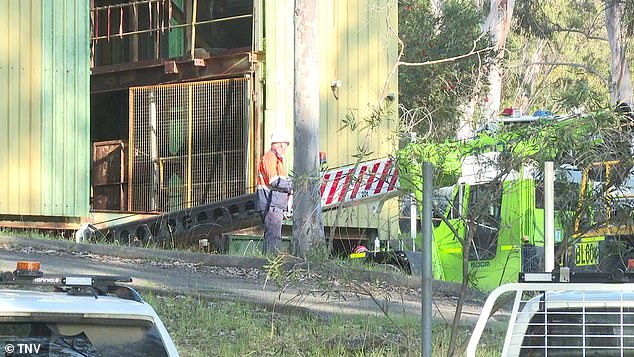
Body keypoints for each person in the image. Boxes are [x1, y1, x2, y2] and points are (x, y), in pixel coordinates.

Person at [256, 130, 292, 255]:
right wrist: (292, 185)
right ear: (281, 144)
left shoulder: (276, 159)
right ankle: (272, 261)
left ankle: (269, 261)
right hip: (271, 204)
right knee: (273, 236)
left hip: (274, 204)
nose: (286, 150)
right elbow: (274, 180)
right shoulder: (270, 157)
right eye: (286, 146)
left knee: (272, 235)